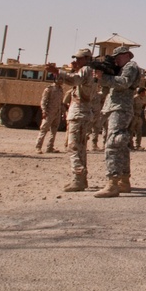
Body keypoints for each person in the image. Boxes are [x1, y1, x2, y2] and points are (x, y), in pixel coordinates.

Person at [94, 46, 142, 198]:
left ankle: (112, 183)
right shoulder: (120, 69)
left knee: (113, 143)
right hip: (116, 108)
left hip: (121, 108)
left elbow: (124, 83)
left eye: (118, 57)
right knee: (121, 145)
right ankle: (124, 181)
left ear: (127, 55)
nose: (116, 60)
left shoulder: (130, 66)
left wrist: (105, 78)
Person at [53, 50, 100, 192]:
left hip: (79, 113)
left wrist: (58, 71)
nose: (77, 61)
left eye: (79, 59)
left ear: (87, 58)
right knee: (80, 147)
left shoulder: (86, 70)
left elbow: (75, 80)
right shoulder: (89, 70)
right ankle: (81, 179)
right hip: (83, 112)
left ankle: (78, 178)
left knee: (73, 146)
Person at [35, 73, 64, 153]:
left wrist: (63, 112)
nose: (61, 81)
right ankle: (38, 147)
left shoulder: (60, 89)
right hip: (49, 112)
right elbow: (43, 101)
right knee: (43, 130)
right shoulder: (49, 89)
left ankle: (50, 147)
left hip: (57, 113)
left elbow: (61, 102)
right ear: (55, 79)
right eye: (60, 79)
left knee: (53, 131)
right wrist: (44, 111)